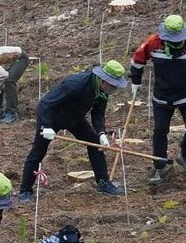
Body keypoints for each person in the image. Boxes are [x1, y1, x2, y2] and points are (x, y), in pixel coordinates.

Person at [18, 62, 128, 201]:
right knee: (38, 151)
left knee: (95, 144)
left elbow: (98, 114)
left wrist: (101, 133)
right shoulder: (76, 83)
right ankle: (25, 191)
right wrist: (46, 126)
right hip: (52, 116)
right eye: (113, 85)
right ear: (103, 80)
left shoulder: (102, 92)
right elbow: (45, 103)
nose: (113, 89)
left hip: (74, 118)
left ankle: (103, 182)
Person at [130, 15, 186, 185]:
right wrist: (136, 81)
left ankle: (185, 155)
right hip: (162, 97)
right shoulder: (153, 42)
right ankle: (159, 165)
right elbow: (137, 60)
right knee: (160, 131)